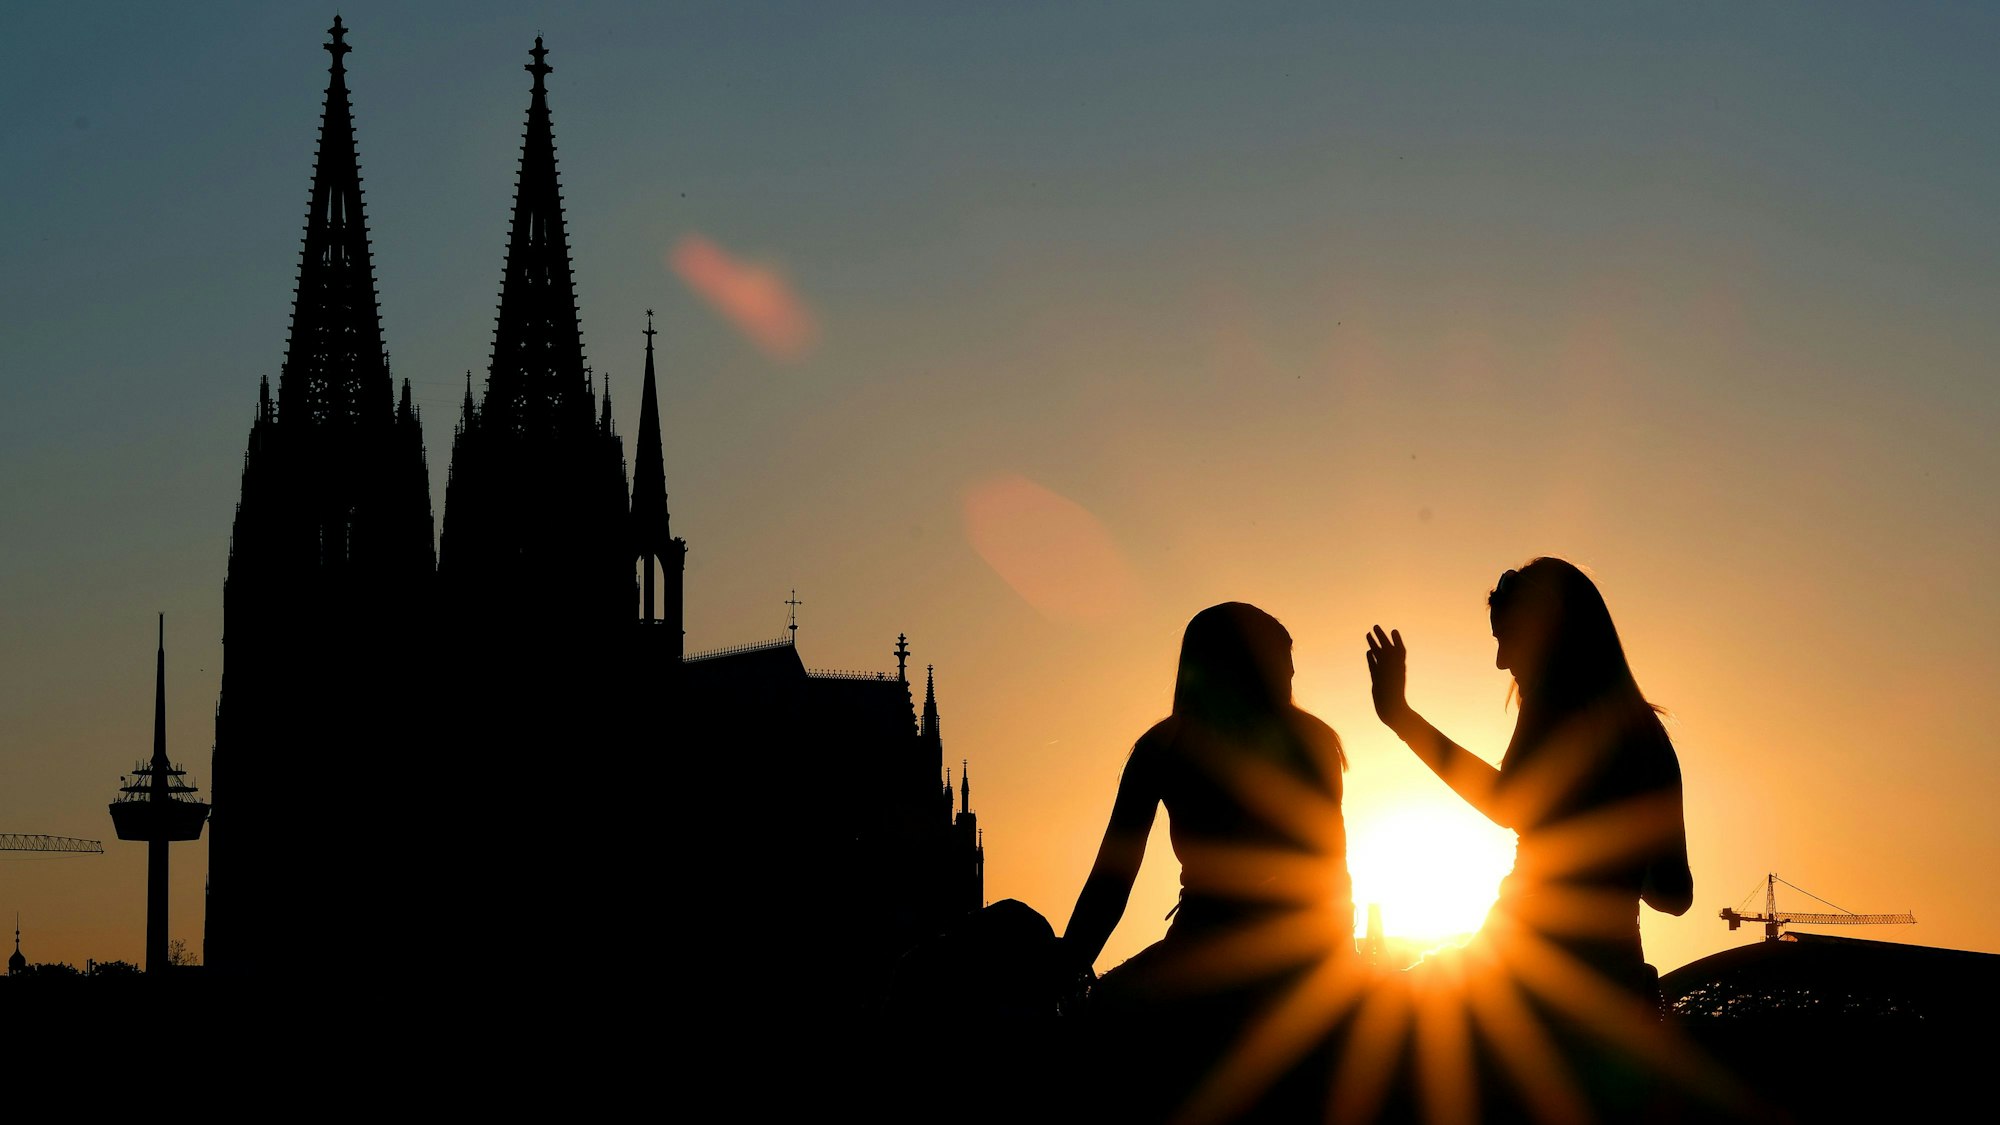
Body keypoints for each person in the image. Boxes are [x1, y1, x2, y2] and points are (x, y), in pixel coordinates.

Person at [1062, 603, 1352, 1119]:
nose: (1289, 678)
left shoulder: (1164, 747)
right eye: (1280, 665)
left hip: (1246, 946)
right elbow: (1114, 878)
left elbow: (1112, 878)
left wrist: (1065, 971)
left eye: (1291, 666)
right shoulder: (1307, 743)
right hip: (1271, 950)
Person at [1365, 557, 1691, 999]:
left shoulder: (1554, 704)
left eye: (1507, 639)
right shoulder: (1653, 742)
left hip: (1525, 973)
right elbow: (1675, 896)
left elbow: (1506, 803)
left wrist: (1402, 718)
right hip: (1617, 980)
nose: (1501, 661)